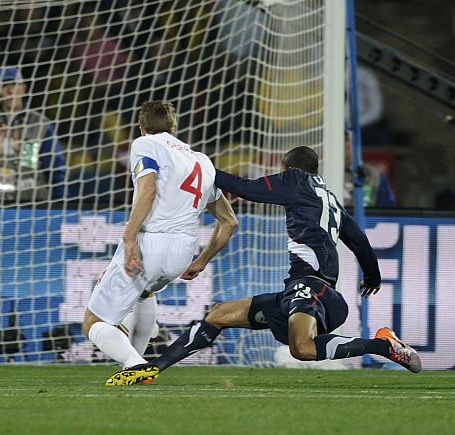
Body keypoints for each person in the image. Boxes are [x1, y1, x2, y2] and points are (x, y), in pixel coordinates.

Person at [111, 145, 421, 386]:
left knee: (301, 348)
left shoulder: (296, 181)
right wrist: (372, 274)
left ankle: (382, 346)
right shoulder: (328, 197)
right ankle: (152, 369)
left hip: (312, 288)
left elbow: (246, 188)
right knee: (218, 315)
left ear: (289, 168)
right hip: (306, 291)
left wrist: (200, 168)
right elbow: (358, 239)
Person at [82, 101, 238, 386]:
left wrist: (129, 239)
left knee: (94, 321)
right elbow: (229, 222)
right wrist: (202, 260)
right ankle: (136, 365)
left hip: (149, 243)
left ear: (143, 128)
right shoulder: (202, 161)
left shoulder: (144, 144)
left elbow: (148, 188)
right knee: (144, 294)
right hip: (182, 253)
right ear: (174, 128)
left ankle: (135, 364)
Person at [0, 67, 67, 202]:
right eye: (4, 86)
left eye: (14, 85)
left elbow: (56, 168)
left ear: (23, 88)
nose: (10, 91)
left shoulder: (40, 124)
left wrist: (61, 205)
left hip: (30, 204)